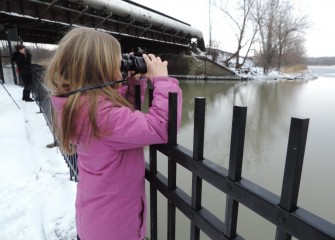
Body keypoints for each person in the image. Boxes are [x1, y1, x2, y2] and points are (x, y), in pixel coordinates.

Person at [44, 27, 182, 240]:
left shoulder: (79, 104)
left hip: (96, 219)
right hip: (115, 229)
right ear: (102, 70)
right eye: (117, 62)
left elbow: (123, 127)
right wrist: (162, 81)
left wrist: (134, 83)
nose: (121, 66)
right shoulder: (101, 116)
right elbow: (161, 127)